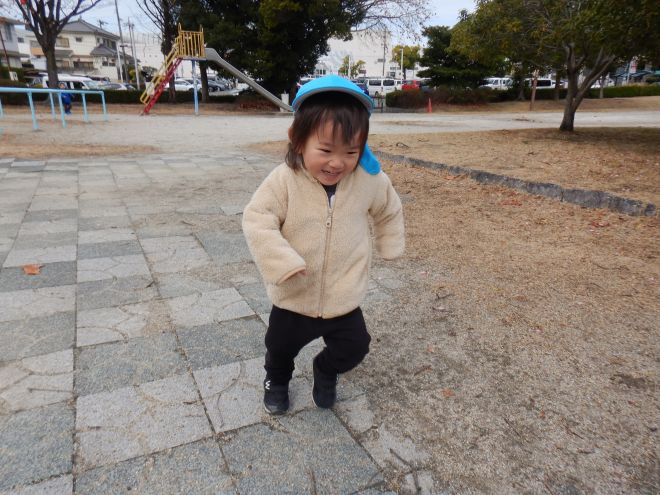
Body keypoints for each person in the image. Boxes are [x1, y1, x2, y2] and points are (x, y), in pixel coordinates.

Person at [242, 75, 405, 415]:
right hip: (295, 294)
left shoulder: (370, 180)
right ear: (298, 139)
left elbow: (389, 210)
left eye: (351, 151)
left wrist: (390, 243)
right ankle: (277, 381)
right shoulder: (284, 180)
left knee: (355, 347)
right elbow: (257, 219)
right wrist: (281, 262)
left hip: (343, 295)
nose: (337, 163)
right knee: (279, 347)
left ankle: (325, 369)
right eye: (326, 150)